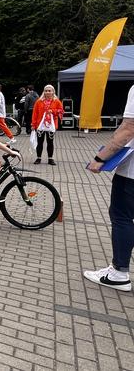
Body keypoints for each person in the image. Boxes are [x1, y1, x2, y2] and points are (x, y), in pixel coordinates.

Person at [84, 84, 134, 292]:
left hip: (131, 174)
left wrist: (100, 158)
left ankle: (118, 273)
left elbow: (128, 128)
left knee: (122, 216)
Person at [31, 85, 63, 165]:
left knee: (50, 142)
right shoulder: (39, 101)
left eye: (49, 91)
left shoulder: (56, 101)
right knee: (40, 142)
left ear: (53, 92)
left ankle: (50, 158)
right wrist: (33, 124)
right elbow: (35, 113)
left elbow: (61, 111)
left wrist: (53, 111)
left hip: (51, 125)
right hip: (40, 125)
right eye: (46, 91)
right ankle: (38, 157)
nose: (47, 92)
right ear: (43, 92)